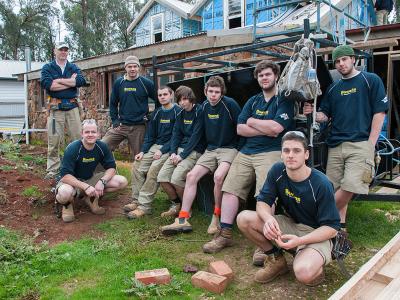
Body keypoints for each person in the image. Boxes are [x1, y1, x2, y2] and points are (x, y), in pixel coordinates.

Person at [202, 60, 295, 254]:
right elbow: (240, 129)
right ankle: (225, 234)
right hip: (246, 152)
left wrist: (253, 121)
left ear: (276, 76)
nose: (264, 78)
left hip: (271, 151)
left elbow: (276, 129)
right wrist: (262, 126)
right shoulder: (253, 101)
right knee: (230, 189)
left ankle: (264, 241)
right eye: (261, 75)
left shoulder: (284, 100)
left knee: (265, 195)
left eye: (267, 74)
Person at [237, 131, 340, 286]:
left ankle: (312, 259)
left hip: (316, 234)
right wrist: (268, 218)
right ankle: (276, 260)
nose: (290, 155)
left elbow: (331, 228)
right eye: (286, 150)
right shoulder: (277, 171)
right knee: (244, 218)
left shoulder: (321, 183)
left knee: (304, 273)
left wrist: (300, 241)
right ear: (281, 154)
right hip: (291, 225)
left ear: (306, 154)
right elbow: (263, 202)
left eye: (296, 150)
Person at [303, 45, 388, 232]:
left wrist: (370, 144)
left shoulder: (370, 80)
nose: (341, 64)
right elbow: (325, 115)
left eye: (344, 59)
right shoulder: (334, 88)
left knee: (351, 186)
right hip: (335, 145)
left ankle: (318, 218)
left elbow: (379, 113)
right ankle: (339, 229)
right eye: (337, 61)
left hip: (360, 143)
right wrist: (313, 113)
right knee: (333, 189)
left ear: (353, 59)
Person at [161, 76, 241, 235]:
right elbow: (198, 132)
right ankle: (183, 219)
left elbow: (241, 126)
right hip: (210, 150)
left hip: (229, 148)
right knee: (191, 176)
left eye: (217, 92)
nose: (213, 95)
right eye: (210, 91)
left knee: (218, 177)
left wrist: (239, 149)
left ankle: (216, 216)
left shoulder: (230, 104)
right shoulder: (203, 107)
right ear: (205, 92)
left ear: (222, 92)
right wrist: (181, 153)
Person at [123, 86, 182, 219]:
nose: (162, 97)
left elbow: (176, 136)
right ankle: (136, 200)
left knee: (153, 169)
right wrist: (143, 151)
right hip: (155, 147)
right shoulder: (156, 113)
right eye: (160, 95)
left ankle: (144, 206)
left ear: (171, 95)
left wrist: (162, 151)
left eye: (165, 94)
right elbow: (150, 135)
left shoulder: (178, 112)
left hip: (171, 148)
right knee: (137, 166)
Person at [55, 119, 128, 223]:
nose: (90, 135)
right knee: (64, 193)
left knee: (121, 181)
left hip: (89, 178)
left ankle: (91, 199)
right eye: (87, 132)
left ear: (98, 134)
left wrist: (102, 181)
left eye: (93, 132)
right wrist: (86, 187)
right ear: (82, 134)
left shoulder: (101, 146)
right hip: (71, 182)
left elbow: (111, 168)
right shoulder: (73, 148)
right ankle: (67, 205)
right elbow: (65, 176)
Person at [157, 85, 205, 217]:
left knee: (176, 179)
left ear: (190, 98)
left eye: (185, 99)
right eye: (180, 100)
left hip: (194, 150)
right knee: (162, 177)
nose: (182, 102)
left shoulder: (199, 111)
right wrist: (173, 152)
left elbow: (196, 136)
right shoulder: (180, 113)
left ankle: (186, 208)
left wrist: (182, 156)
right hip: (179, 150)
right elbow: (176, 134)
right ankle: (176, 203)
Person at [40, 42, 87, 179]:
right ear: (55, 51)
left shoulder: (73, 67)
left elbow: (80, 81)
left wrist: (59, 81)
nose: (63, 52)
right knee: (54, 139)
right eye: (61, 49)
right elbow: (49, 85)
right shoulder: (48, 67)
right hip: (55, 109)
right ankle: (53, 170)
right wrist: (69, 82)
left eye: (66, 50)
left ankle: (79, 168)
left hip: (72, 109)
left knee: (77, 139)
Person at [102, 55, 155, 158]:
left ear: (138, 67)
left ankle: (139, 174)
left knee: (139, 157)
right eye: (129, 66)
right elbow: (113, 104)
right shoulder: (119, 83)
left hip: (139, 126)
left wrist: (151, 115)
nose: (132, 69)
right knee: (102, 146)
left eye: (135, 66)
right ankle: (103, 172)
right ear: (125, 68)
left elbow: (158, 99)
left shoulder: (146, 83)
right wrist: (115, 120)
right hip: (122, 125)